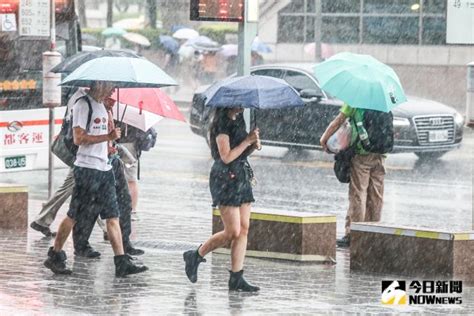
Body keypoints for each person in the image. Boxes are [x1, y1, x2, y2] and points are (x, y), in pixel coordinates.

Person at [43, 81, 147, 277]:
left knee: (113, 216)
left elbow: (103, 138)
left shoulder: (102, 106)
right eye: (110, 86)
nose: (113, 90)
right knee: (73, 216)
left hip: (105, 168)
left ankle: (121, 261)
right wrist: (107, 136)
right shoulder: (83, 105)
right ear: (99, 84)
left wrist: (111, 139)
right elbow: (79, 138)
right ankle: (55, 255)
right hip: (87, 170)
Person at [183, 107, 261, 292]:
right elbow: (226, 157)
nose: (243, 106)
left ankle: (236, 277)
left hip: (241, 175)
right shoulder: (221, 123)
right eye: (239, 102)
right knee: (232, 231)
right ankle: (195, 255)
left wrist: (253, 144)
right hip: (225, 178)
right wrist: (246, 141)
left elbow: (240, 152)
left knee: (243, 228)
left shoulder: (239, 118)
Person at [319, 104, 387, 248]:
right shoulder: (384, 103)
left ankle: (354, 233)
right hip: (380, 154)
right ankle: (372, 231)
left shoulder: (356, 101)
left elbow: (338, 121)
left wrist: (324, 138)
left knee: (358, 194)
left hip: (362, 154)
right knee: (376, 195)